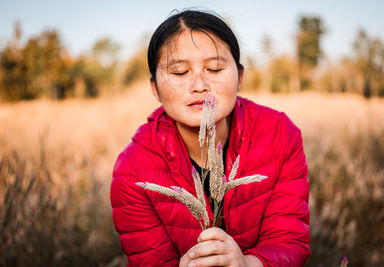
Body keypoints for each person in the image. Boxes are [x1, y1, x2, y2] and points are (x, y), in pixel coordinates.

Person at [110, 9, 310, 266]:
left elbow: (289, 242)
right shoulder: (133, 170)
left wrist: (247, 264)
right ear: (154, 88)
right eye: (180, 73)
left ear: (240, 77)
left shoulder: (280, 135)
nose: (199, 85)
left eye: (214, 69)